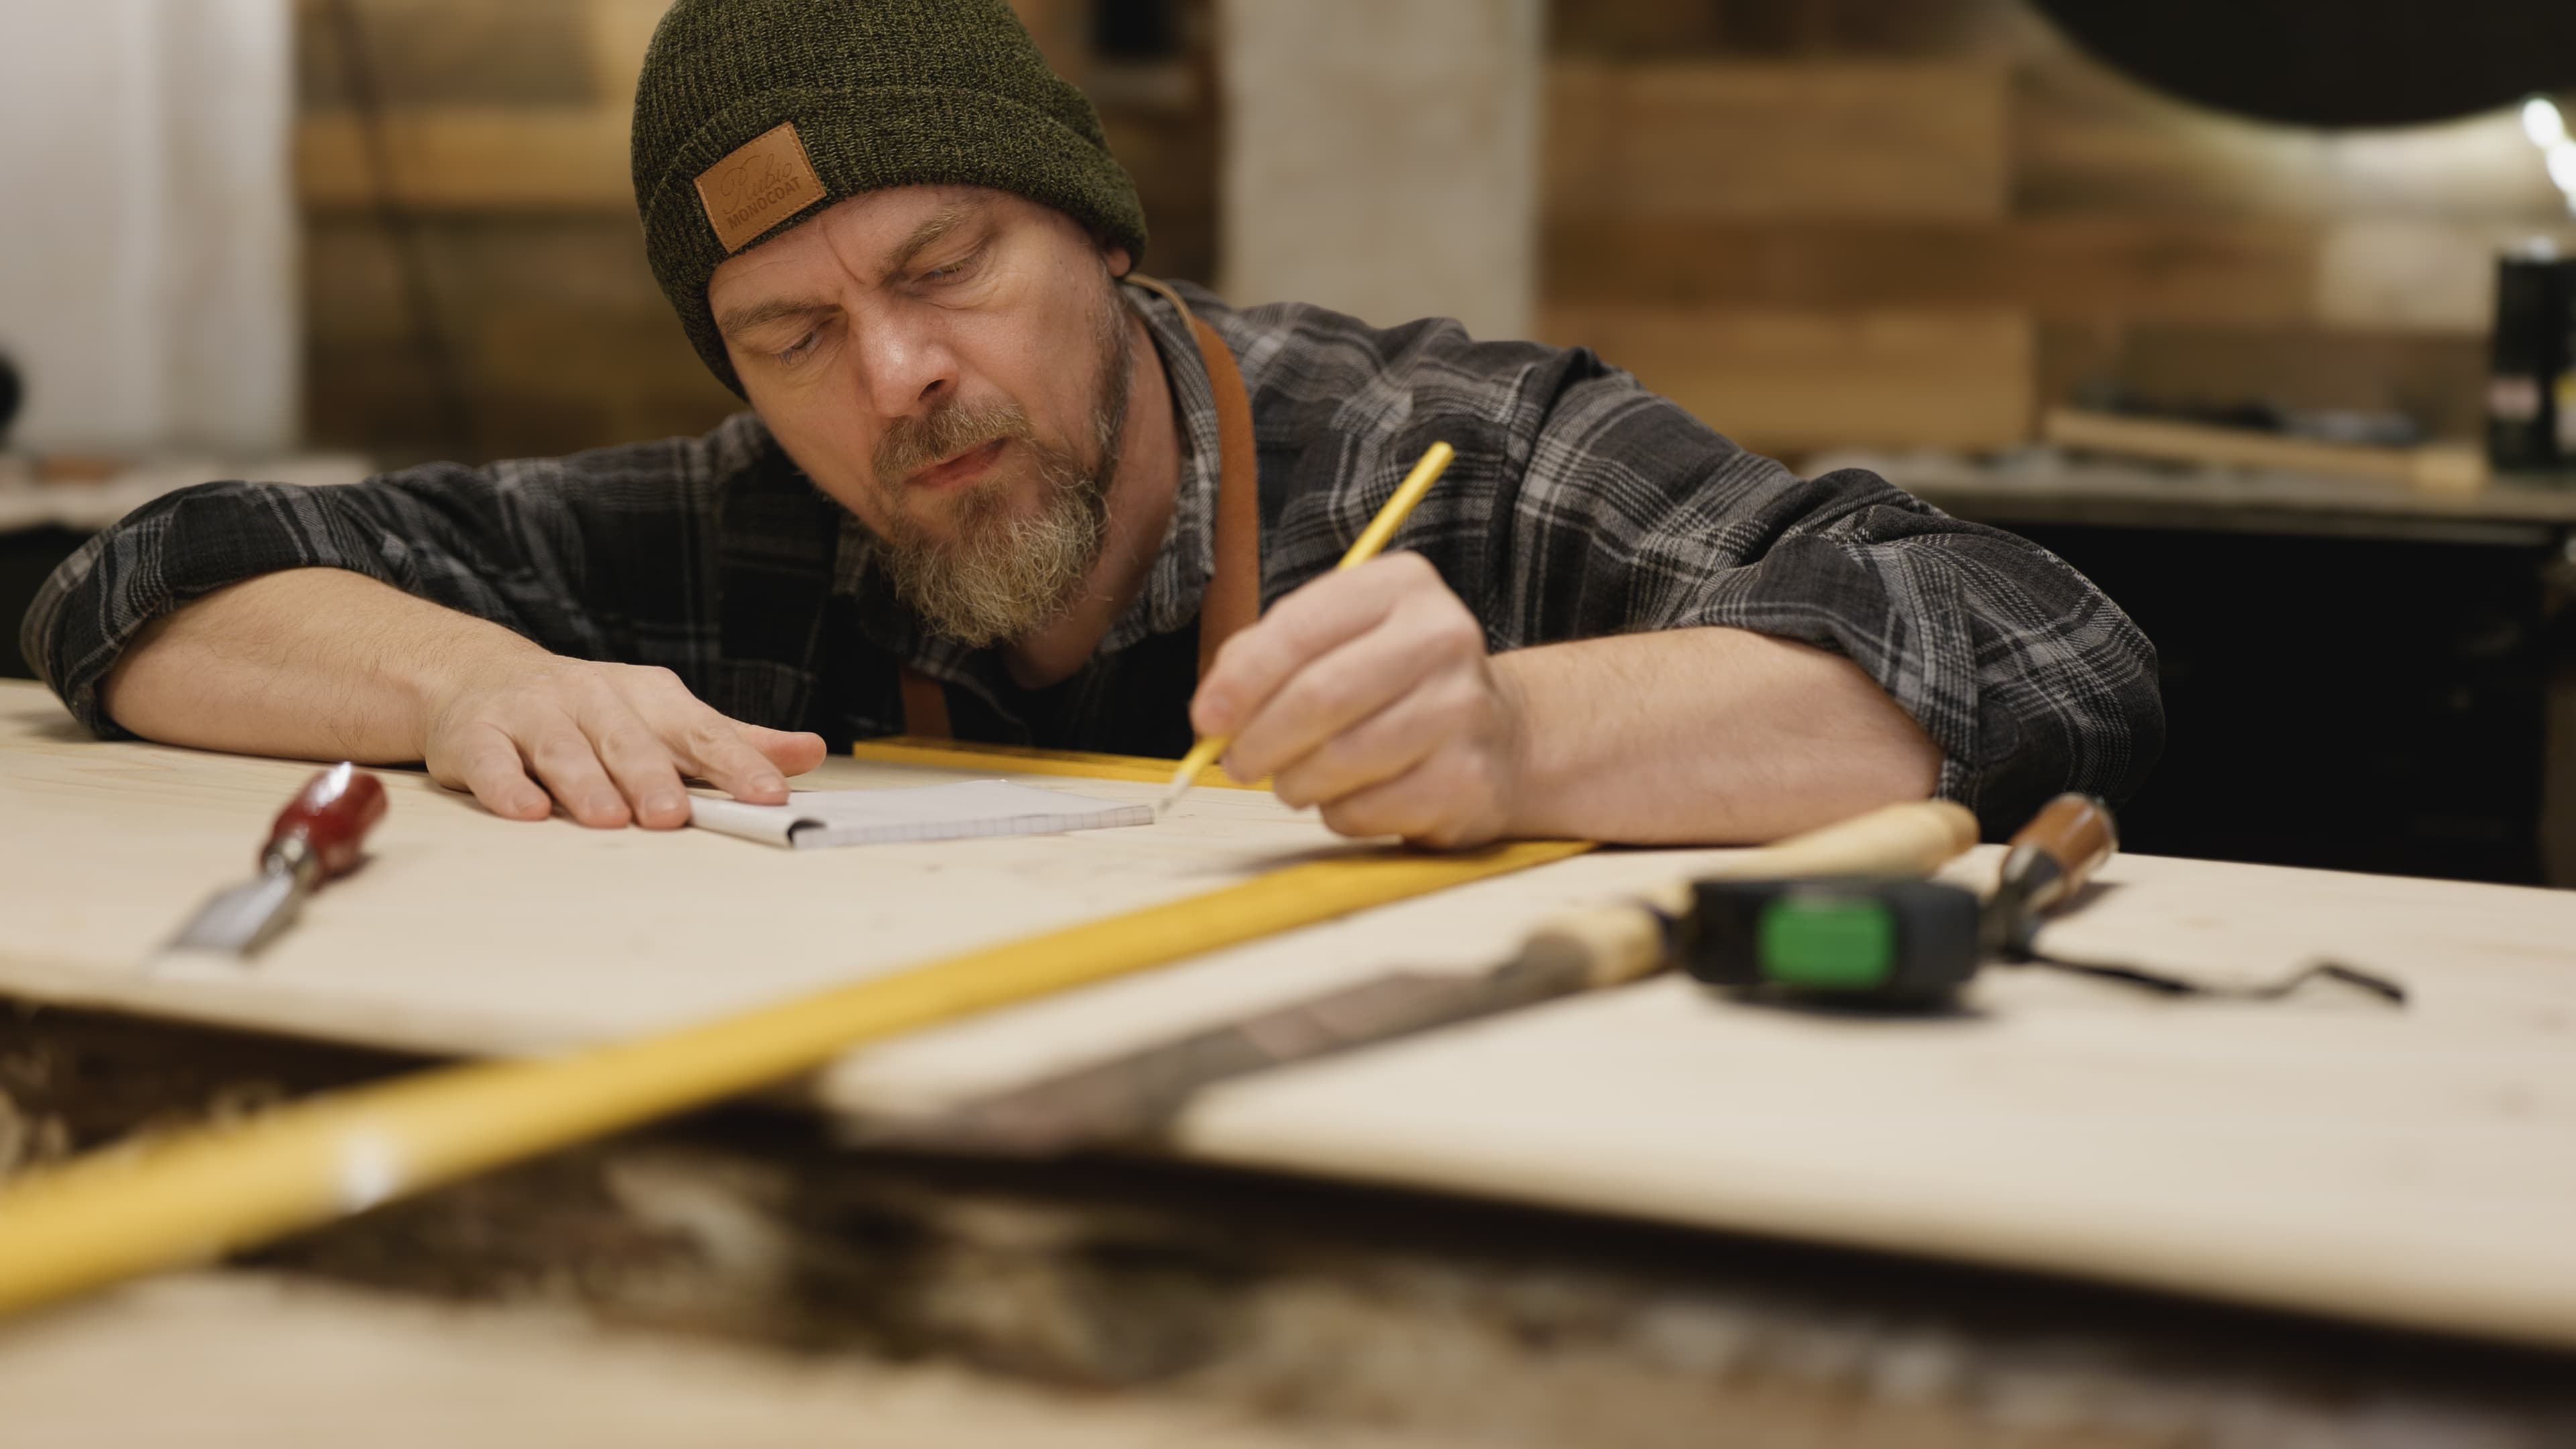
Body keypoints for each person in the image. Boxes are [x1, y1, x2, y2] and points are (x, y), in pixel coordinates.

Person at [19, 0, 2159, 849]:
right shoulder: (746, 520)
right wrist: (470, 676)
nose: (891, 380)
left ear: (1107, 242)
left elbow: (2034, 641)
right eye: (786, 332)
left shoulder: (1452, 453)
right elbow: (131, 586)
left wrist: (1518, 741)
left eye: (947, 270)